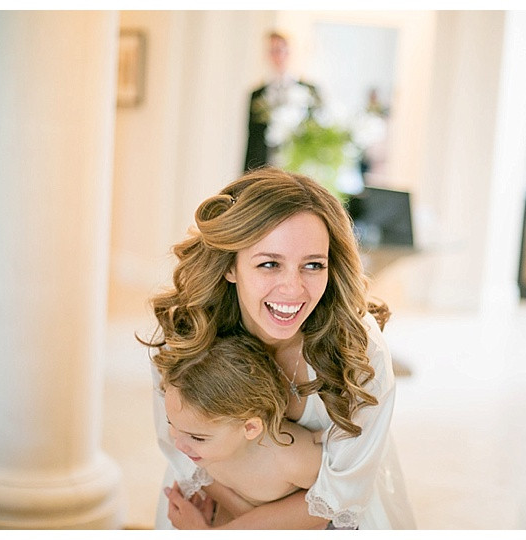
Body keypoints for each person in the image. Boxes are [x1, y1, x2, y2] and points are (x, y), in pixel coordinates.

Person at [145, 166, 416, 529]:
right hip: (213, 500)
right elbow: (185, 453)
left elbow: (339, 498)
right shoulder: (187, 331)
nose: (293, 289)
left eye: (313, 265)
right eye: (270, 264)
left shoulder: (361, 351)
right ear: (231, 266)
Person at [158, 333, 323, 529]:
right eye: (173, 424)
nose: (178, 444)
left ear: (250, 428)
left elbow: (329, 507)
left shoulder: (292, 460)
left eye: (197, 438)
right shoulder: (205, 444)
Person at [243, 31, 320, 172]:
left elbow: (315, 133)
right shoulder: (257, 94)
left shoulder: (309, 90)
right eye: (273, 51)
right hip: (265, 166)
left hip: (299, 166)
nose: (278, 56)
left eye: (282, 50)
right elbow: (252, 140)